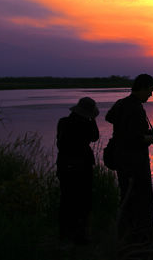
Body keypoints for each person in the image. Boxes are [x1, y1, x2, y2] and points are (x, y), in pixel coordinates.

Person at [105, 74, 153, 248]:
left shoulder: (122, 103)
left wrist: (129, 131)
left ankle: (126, 237)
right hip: (135, 164)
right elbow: (134, 139)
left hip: (122, 162)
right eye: (151, 90)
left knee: (127, 198)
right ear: (143, 87)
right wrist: (151, 139)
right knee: (143, 202)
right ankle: (141, 241)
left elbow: (110, 118)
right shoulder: (136, 108)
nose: (151, 94)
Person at [56, 96, 100, 245]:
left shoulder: (63, 122)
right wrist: (92, 119)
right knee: (83, 201)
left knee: (66, 199)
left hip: (64, 166)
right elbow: (95, 137)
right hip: (81, 167)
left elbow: (60, 144)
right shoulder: (86, 124)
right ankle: (80, 236)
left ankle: (64, 233)